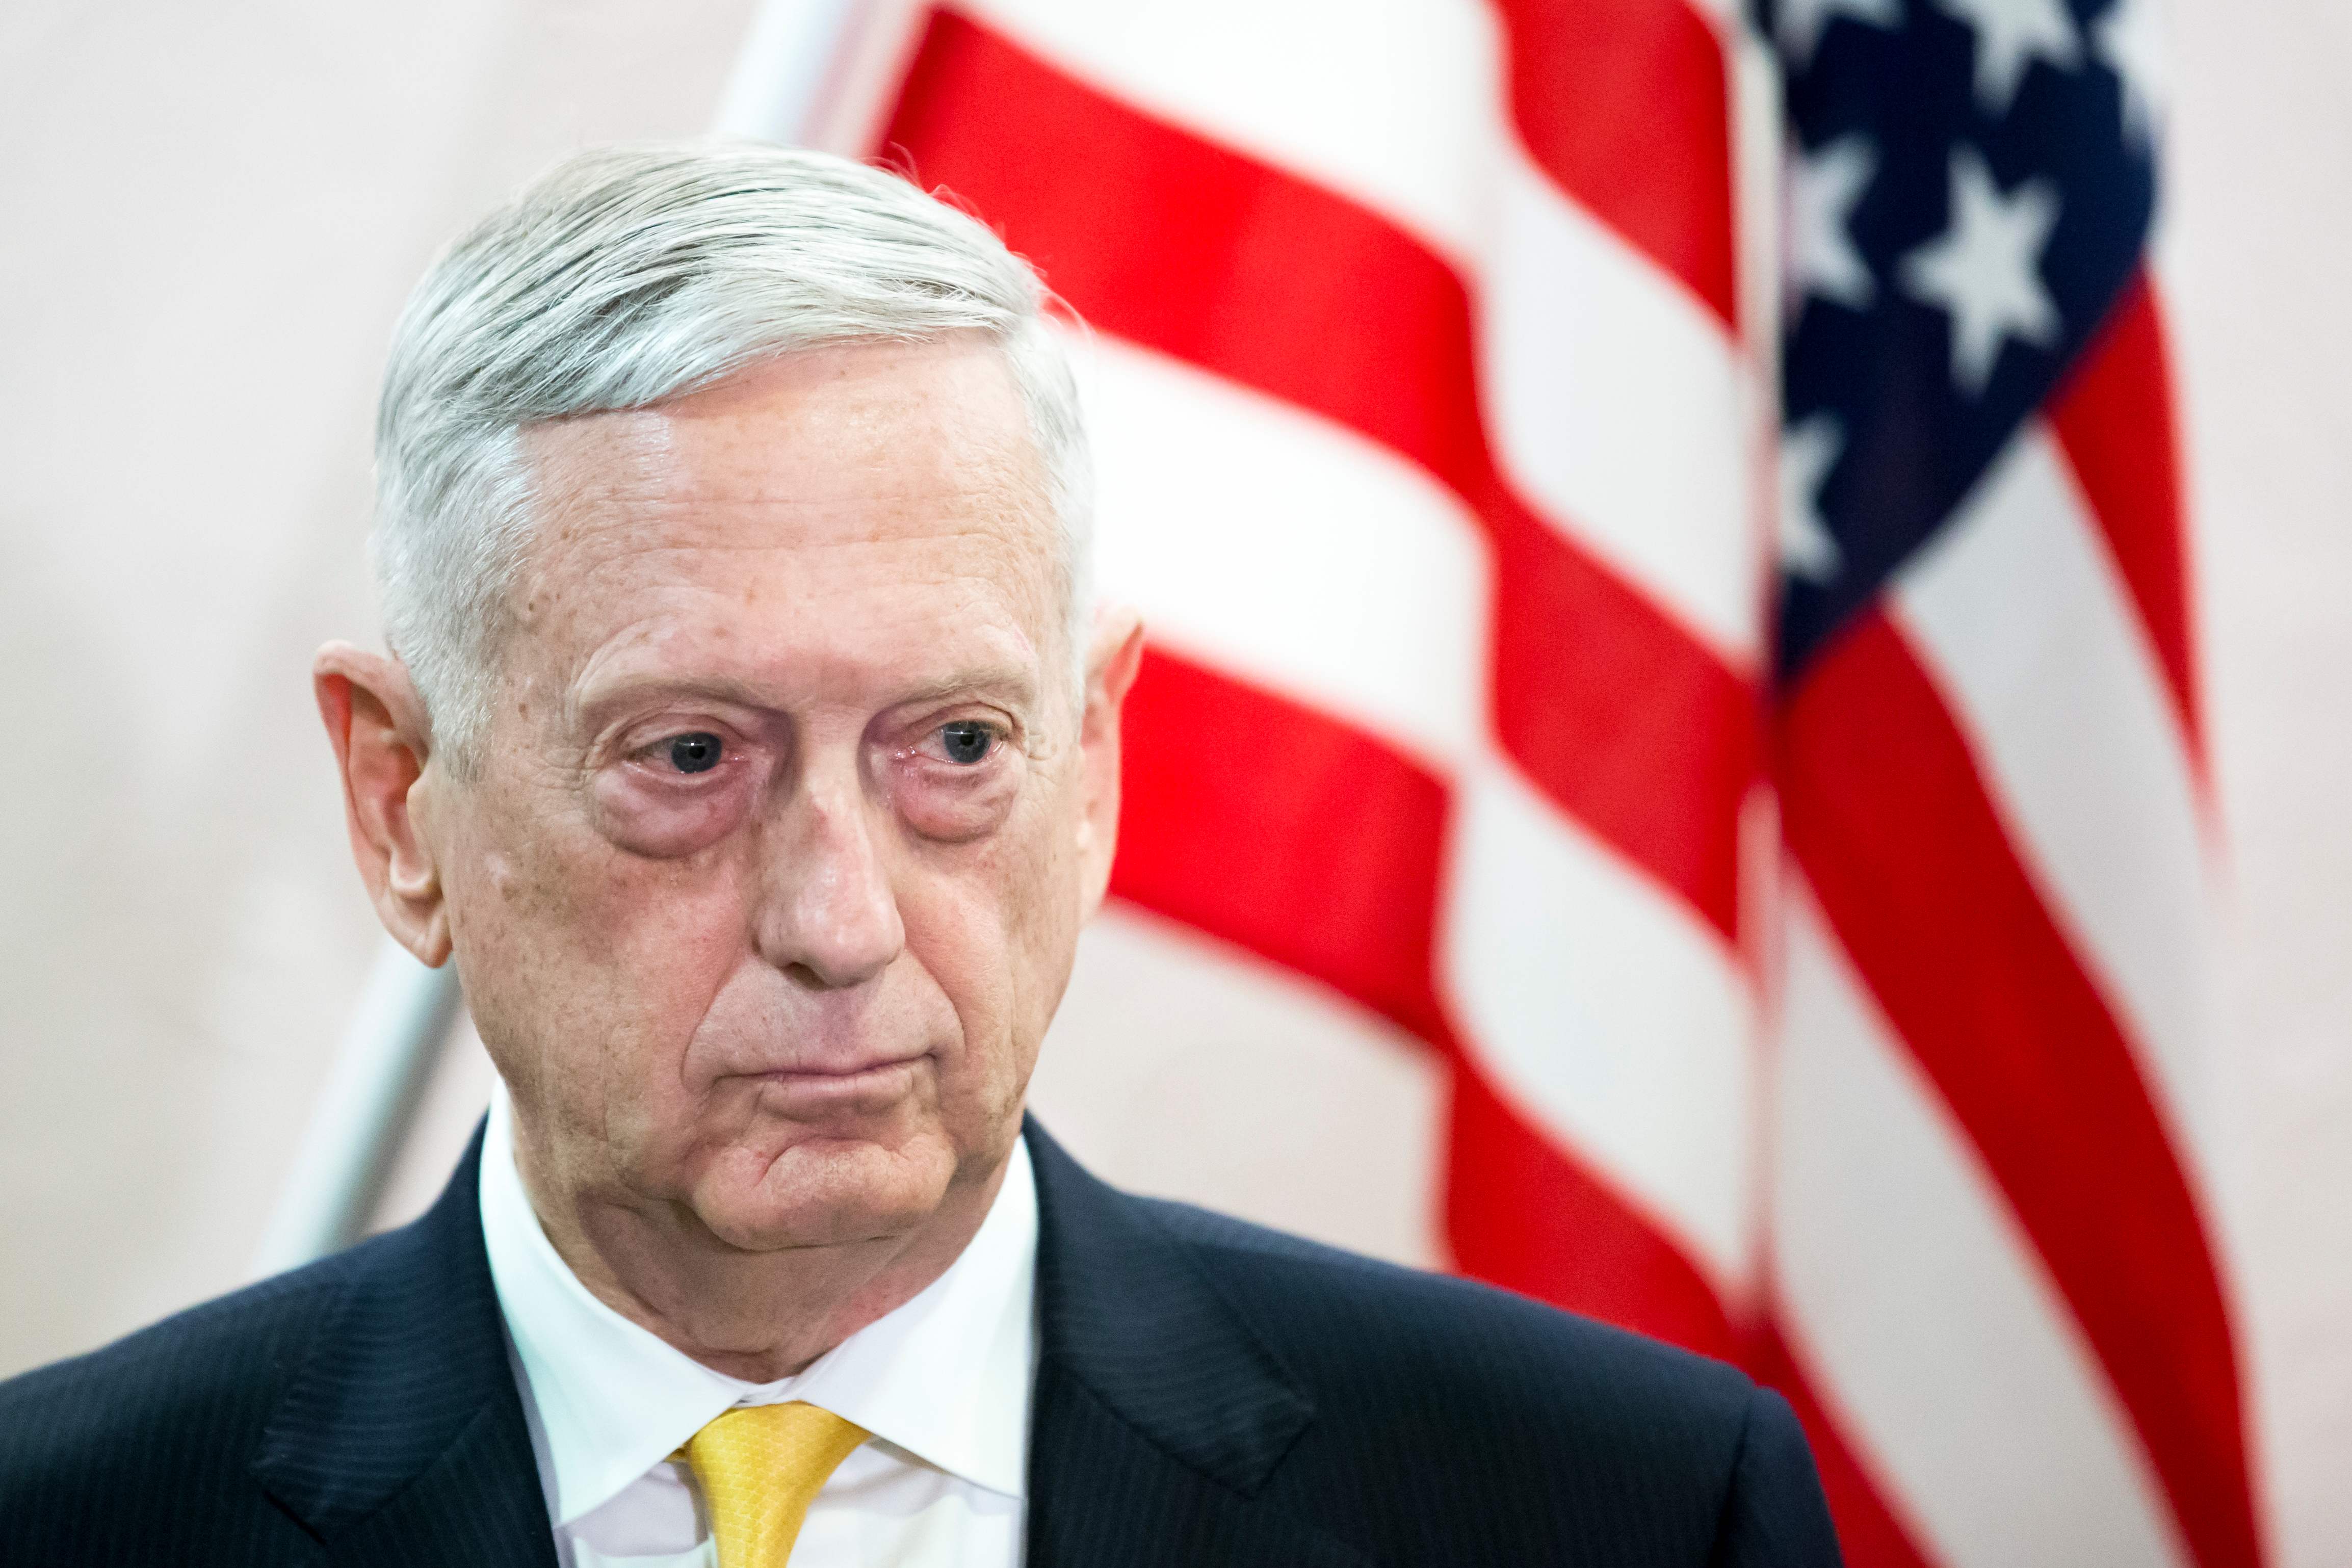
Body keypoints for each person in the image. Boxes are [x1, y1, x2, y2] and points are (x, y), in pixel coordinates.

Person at [0, 143, 1841, 1567]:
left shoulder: (1624, 1509)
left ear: (1090, 762)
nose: (842, 919)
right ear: (404, 807)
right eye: (692, 757)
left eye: (956, 746)